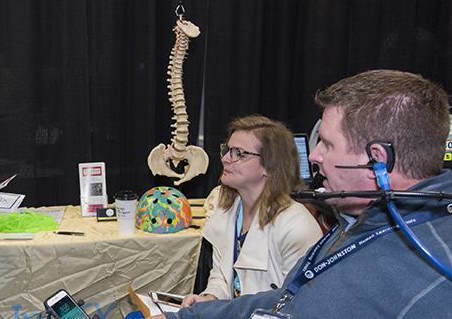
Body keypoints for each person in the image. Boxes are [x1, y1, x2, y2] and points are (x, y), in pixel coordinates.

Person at [150, 69, 452, 318]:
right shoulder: (357, 221)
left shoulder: (434, 277)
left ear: (378, 160)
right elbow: (287, 298)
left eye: (327, 144)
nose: (315, 155)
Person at [181, 116, 322, 308]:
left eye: (238, 153)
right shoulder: (227, 210)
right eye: (227, 150)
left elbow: (298, 302)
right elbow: (221, 277)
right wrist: (210, 298)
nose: (225, 159)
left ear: (269, 166)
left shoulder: (296, 225)